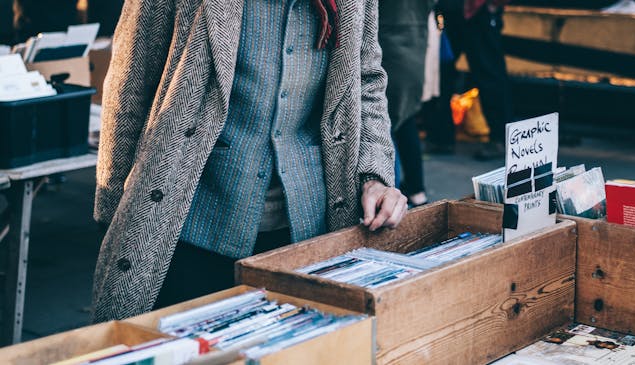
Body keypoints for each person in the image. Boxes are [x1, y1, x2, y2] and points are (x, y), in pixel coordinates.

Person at [92, 0, 407, 322]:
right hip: (188, 222)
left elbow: (366, 80)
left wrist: (374, 176)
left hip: (308, 231)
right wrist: (115, 210)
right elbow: (130, 80)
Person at [437, 0, 514, 160]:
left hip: (480, 10)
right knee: (441, 71)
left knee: (490, 76)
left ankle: (502, 139)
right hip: (453, 9)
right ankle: (441, 137)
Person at [379, 0, 434, 207]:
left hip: (388, 51)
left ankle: (391, 194)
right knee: (405, 121)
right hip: (415, 49)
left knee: (385, 126)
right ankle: (416, 190)